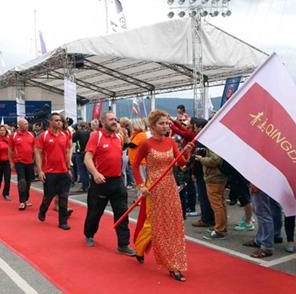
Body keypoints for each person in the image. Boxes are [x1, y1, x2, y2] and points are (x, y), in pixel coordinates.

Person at [132, 110, 190, 282]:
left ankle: (174, 262)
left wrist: (186, 151)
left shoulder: (171, 142)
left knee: (173, 226)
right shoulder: (146, 144)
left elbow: (181, 164)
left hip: (170, 188)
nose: (165, 126)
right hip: (153, 189)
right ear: (153, 125)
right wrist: (141, 186)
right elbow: (135, 166)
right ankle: (166, 262)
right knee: (156, 225)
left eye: (167, 123)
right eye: (161, 123)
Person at [83, 111, 135, 257]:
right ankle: (89, 234)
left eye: (115, 119)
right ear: (103, 121)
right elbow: (87, 158)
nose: (114, 122)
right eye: (111, 119)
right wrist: (95, 174)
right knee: (95, 212)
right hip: (100, 181)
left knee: (122, 213)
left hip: (117, 182)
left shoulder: (119, 137)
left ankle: (123, 244)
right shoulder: (96, 136)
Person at [35, 113, 72, 230]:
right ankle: (43, 210)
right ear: (50, 122)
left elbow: (67, 152)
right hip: (49, 172)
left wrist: (68, 168)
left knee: (63, 197)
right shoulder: (44, 136)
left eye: (60, 120)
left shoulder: (65, 135)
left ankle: (63, 222)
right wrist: (40, 170)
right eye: (56, 120)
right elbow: (38, 153)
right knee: (48, 196)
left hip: (63, 172)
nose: (59, 122)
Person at [196, 148, 229, 240]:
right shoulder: (217, 145)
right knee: (221, 203)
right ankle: (222, 227)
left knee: (217, 204)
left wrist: (201, 159)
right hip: (218, 177)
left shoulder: (215, 145)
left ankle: (219, 230)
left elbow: (215, 160)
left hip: (214, 177)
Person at [8, 118, 35, 210]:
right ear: (19, 125)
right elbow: (10, 150)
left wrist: (36, 162)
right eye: (24, 124)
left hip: (30, 162)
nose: (27, 126)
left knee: (28, 182)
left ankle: (26, 198)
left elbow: (35, 149)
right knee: (22, 181)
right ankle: (22, 201)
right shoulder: (14, 135)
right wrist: (11, 163)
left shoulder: (31, 134)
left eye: (27, 124)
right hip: (19, 162)